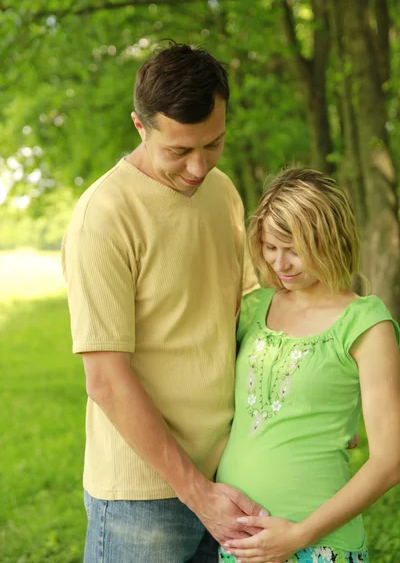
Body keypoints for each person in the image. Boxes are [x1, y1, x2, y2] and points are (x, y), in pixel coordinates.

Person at [61, 42, 264, 563]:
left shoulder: (222, 193)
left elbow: (249, 315)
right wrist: (197, 493)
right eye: (179, 151)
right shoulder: (104, 217)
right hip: (142, 501)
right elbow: (105, 377)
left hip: (231, 473)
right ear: (139, 125)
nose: (199, 168)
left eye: (213, 144)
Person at [217, 168, 400, 563]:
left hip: (320, 546)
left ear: (330, 238)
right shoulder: (253, 308)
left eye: (294, 248)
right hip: (241, 544)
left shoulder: (366, 322)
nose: (280, 263)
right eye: (269, 247)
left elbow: (391, 459)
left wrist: (296, 536)